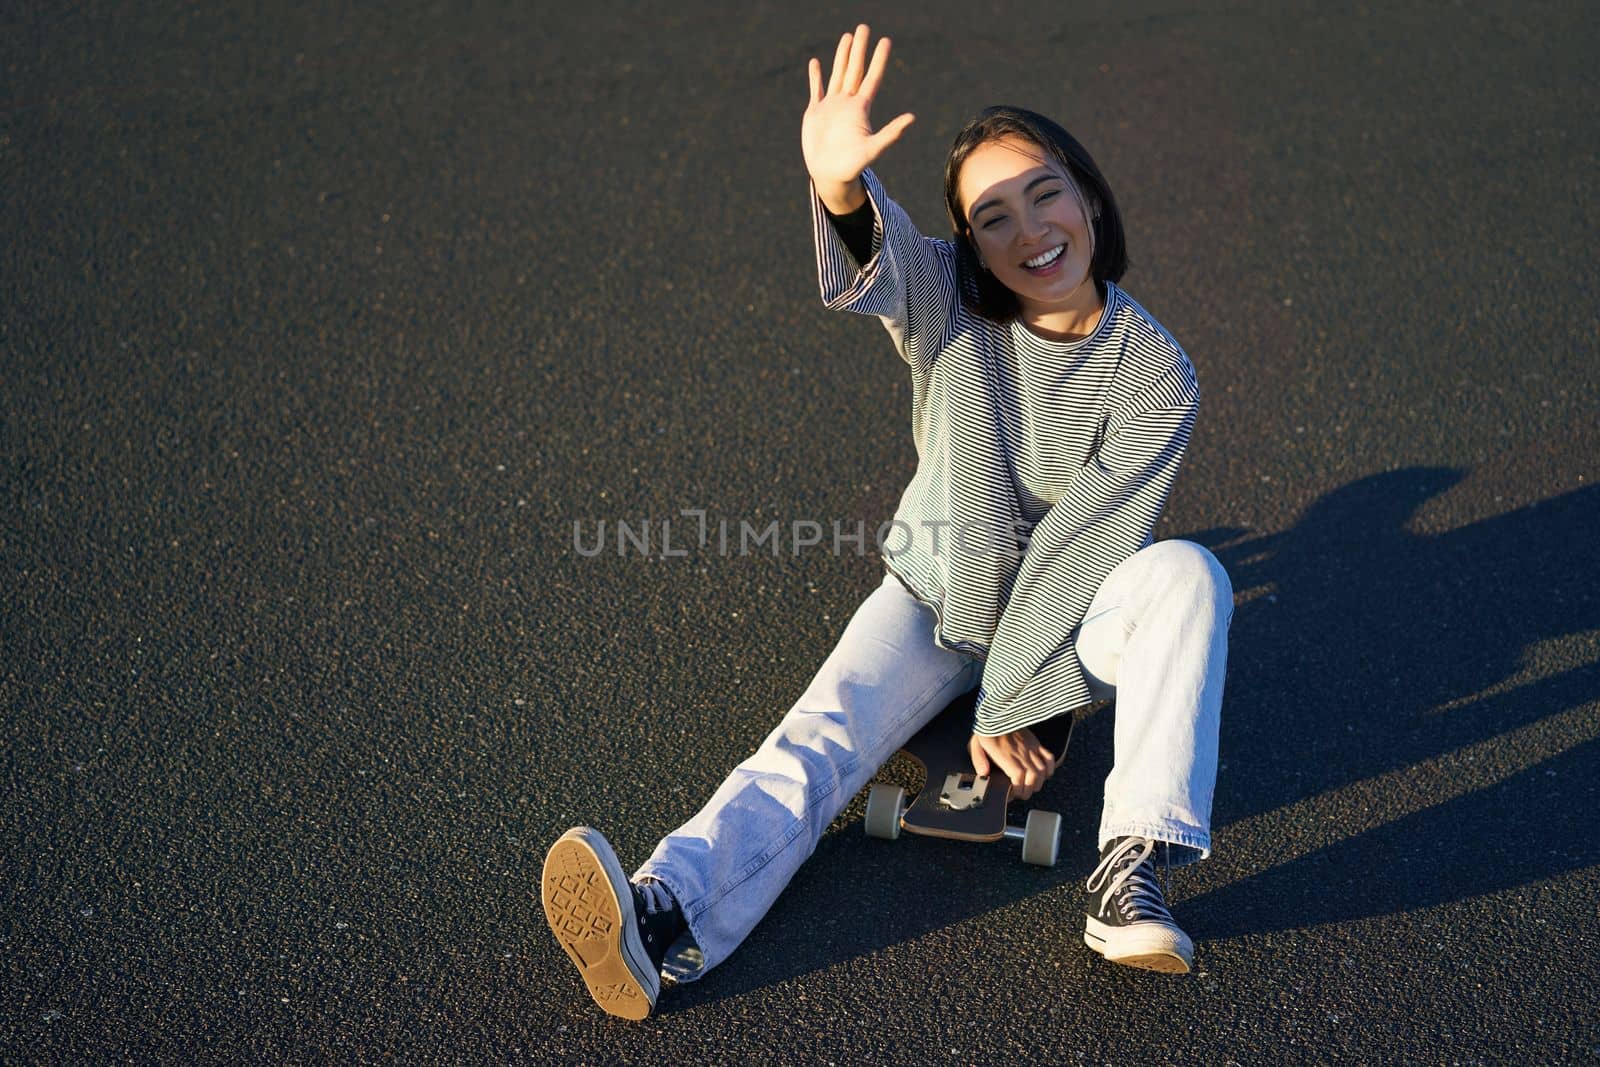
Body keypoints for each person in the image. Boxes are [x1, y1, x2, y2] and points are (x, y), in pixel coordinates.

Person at [540, 24, 1233, 1020]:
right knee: (815, 740)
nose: (1028, 230)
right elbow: (886, 257)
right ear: (967, 244)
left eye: (1043, 192)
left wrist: (1021, 705)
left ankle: (1132, 867)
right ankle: (661, 917)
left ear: (1087, 196)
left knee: (1187, 576)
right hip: (933, 590)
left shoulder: (1155, 371)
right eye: (989, 217)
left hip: (1066, 612)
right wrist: (839, 190)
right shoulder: (948, 298)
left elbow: (1086, 546)